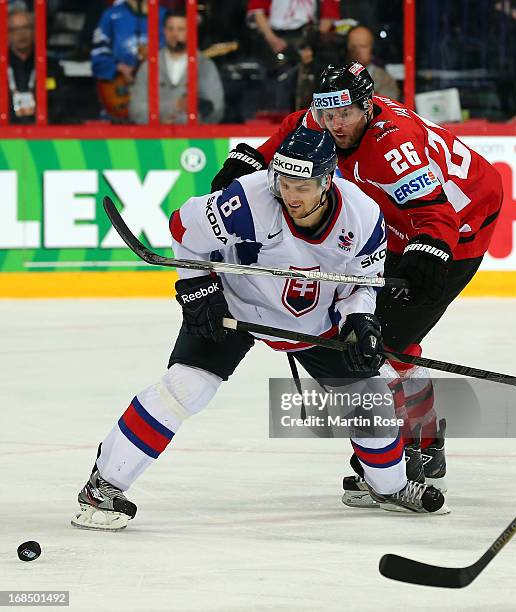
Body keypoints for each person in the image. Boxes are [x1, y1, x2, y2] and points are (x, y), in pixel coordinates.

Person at [71, 126, 449, 531]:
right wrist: (197, 289)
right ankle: (103, 486)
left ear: (327, 180)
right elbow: (184, 229)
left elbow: (361, 283)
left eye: (302, 185)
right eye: (284, 181)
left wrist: (360, 322)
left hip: (313, 319)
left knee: (370, 399)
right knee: (187, 386)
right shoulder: (247, 201)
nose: (290, 194)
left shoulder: (363, 216)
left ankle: (387, 487)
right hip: (237, 303)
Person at [210, 62, 504, 507]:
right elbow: (283, 144)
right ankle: (420, 445)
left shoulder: (393, 148)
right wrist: (248, 160)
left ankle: (419, 449)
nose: (335, 124)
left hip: (457, 226)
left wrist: (431, 252)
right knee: (375, 338)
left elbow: (436, 214)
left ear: (367, 106)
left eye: (345, 113)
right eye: (327, 114)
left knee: (385, 342)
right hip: (400, 222)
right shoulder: (323, 119)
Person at [129, 9, 225, 124]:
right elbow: (136, 110)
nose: (174, 34)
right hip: (154, 138)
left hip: (194, 140)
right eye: (170, 29)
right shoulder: (149, 66)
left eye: (180, 29)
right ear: (164, 31)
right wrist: (175, 106)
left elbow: (216, 110)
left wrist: (181, 123)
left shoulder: (205, 66)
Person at [91, 0, 167, 119]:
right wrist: (120, 68)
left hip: (159, 96)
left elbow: (180, 57)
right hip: (120, 94)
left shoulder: (165, 15)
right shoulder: (111, 15)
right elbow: (97, 55)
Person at [7, 4, 67, 124]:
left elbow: (61, 104)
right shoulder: (3, 64)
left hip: (44, 133)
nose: (21, 34)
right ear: (6, 34)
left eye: (26, 28)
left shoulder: (51, 66)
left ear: (34, 30)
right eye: (14, 29)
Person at [346, 25, 399, 100]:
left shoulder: (384, 80)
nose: (357, 51)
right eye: (353, 46)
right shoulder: (336, 76)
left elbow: (387, 108)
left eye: (363, 46)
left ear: (372, 48)